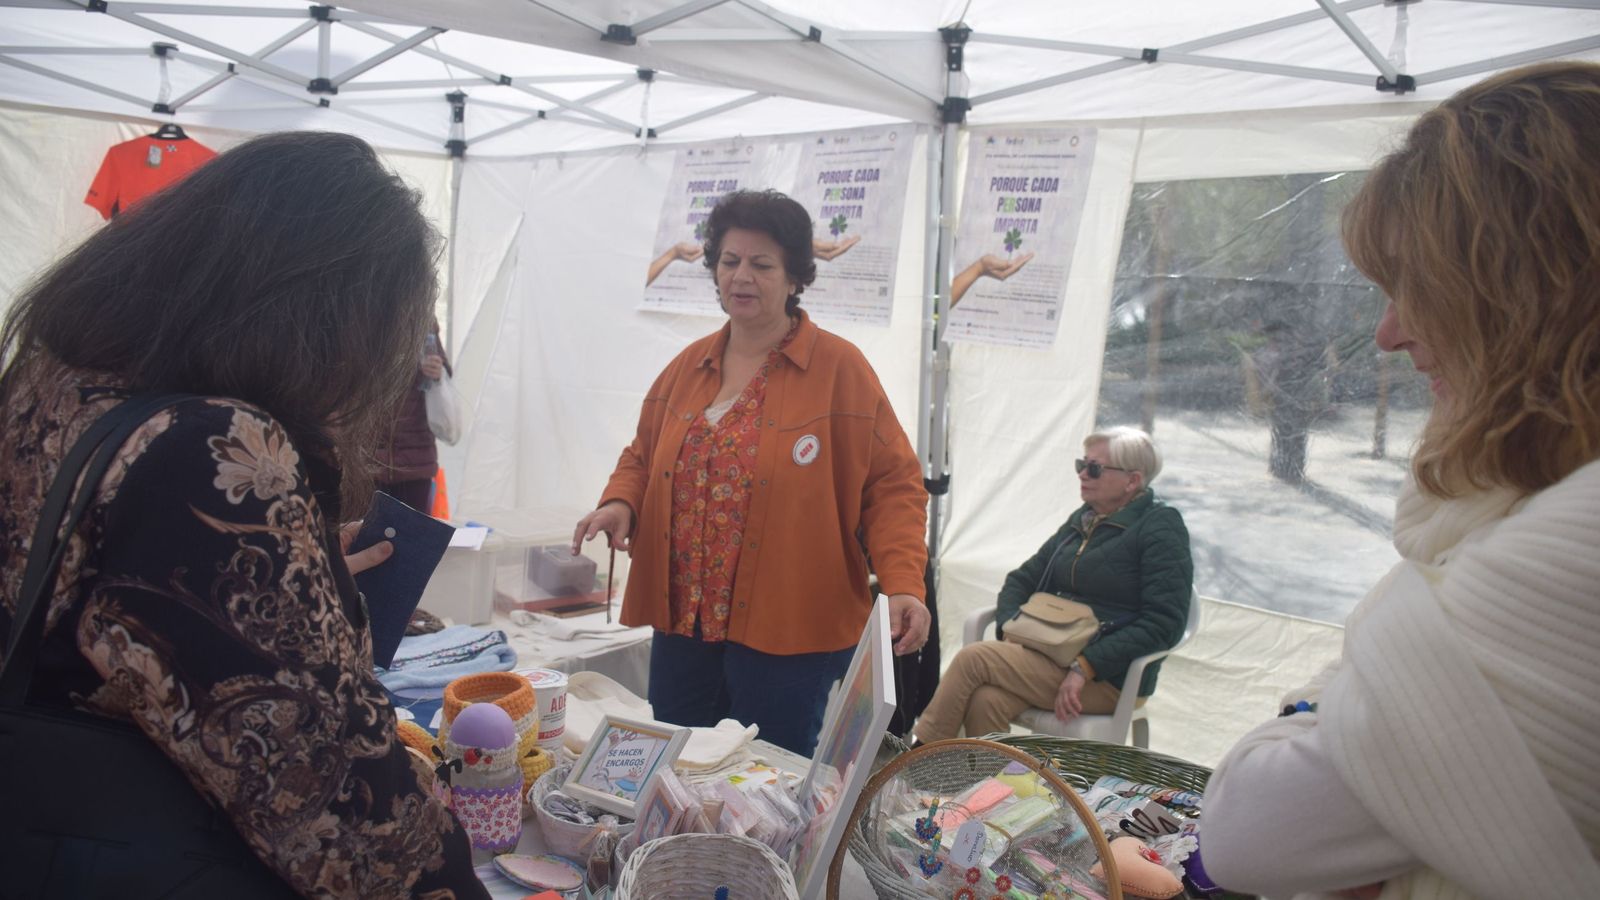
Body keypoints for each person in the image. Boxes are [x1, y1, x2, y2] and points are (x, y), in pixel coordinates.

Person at [0, 132, 487, 897]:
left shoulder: (57, 381)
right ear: (318, 319)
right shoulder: (210, 448)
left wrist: (298, 571)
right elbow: (345, 809)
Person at [1201, 62, 1600, 899]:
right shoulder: (1522, 503)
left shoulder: (1573, 556)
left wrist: (1316, 710)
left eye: (1416, 286)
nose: (1387, 333)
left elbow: (1246, 832)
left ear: (1528, 288)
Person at [573, 189, 930, 757]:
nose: (741, 276)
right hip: (684, 620)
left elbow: (893, 488)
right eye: (729, 261)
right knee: (677, 764)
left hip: (790, 629)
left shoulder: (840, 370)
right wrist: (621, 503)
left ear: (795, 278)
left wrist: (904, 583)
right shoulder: (687, 367)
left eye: (762, 264)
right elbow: (643, 454)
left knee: (769, 777)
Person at [912, 426, 1192, 743]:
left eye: (1094, 468)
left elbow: (1164, 622)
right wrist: (1010, 627)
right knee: (985, 701)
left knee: (973, 659)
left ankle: (919, 757)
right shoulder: (1083, 520)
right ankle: (991, 776)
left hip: (1112, 678)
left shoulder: (1161, 527)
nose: (1082, 474)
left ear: (1132, 480)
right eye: (1081, 464)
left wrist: (1086, 666)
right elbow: (1021, 580)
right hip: (1051, 656)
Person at [373, 320, 449, 513]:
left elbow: (444, 370)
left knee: (412, 529)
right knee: (366, 528)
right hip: (369, 461)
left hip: (415, 461)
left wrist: (437, 370)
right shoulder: (362, 317)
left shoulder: (424, 319)